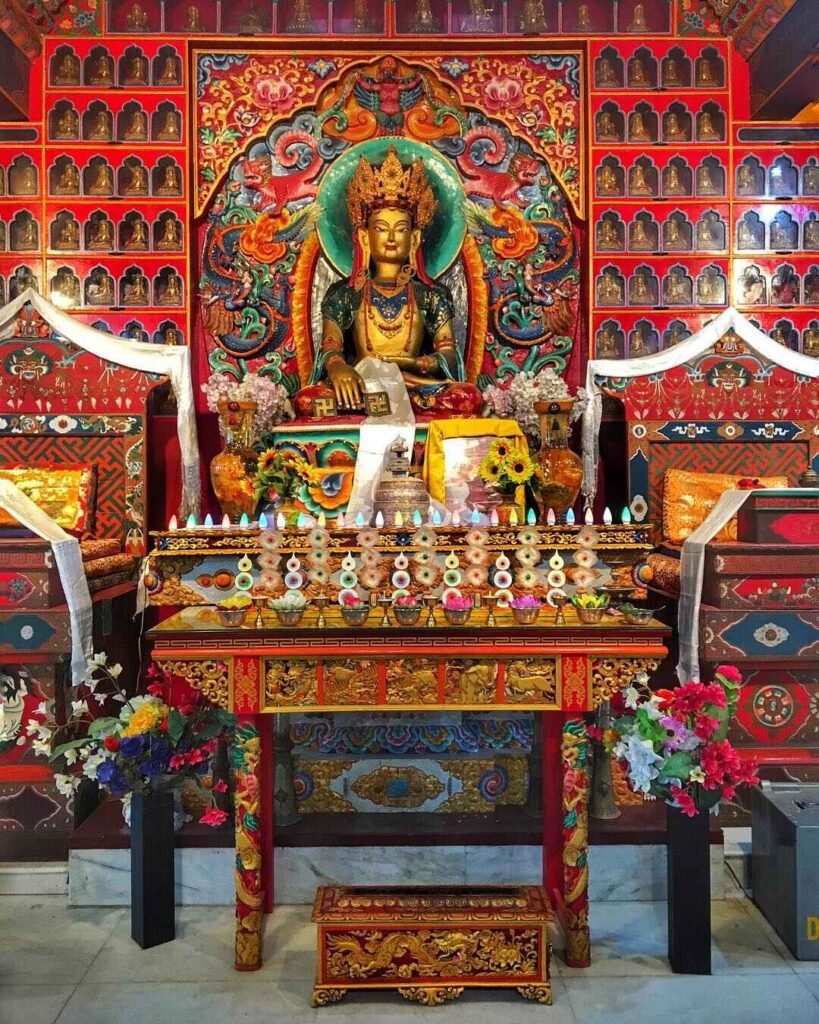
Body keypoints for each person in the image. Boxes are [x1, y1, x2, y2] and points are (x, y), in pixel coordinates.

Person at [294, 147, 482, 417]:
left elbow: (448, 356)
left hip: (413, 386)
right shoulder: (345, 294)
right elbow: (330, 348)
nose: (391, 237)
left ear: (415, 239)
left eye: (401, 229)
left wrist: (412, 363)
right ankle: (375, 404)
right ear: (364, 238)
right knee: (307, 400)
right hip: (361, 387)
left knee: (466, 397)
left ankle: (381, 406)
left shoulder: (431, 295)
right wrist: (339, 368)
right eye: (381, 229)